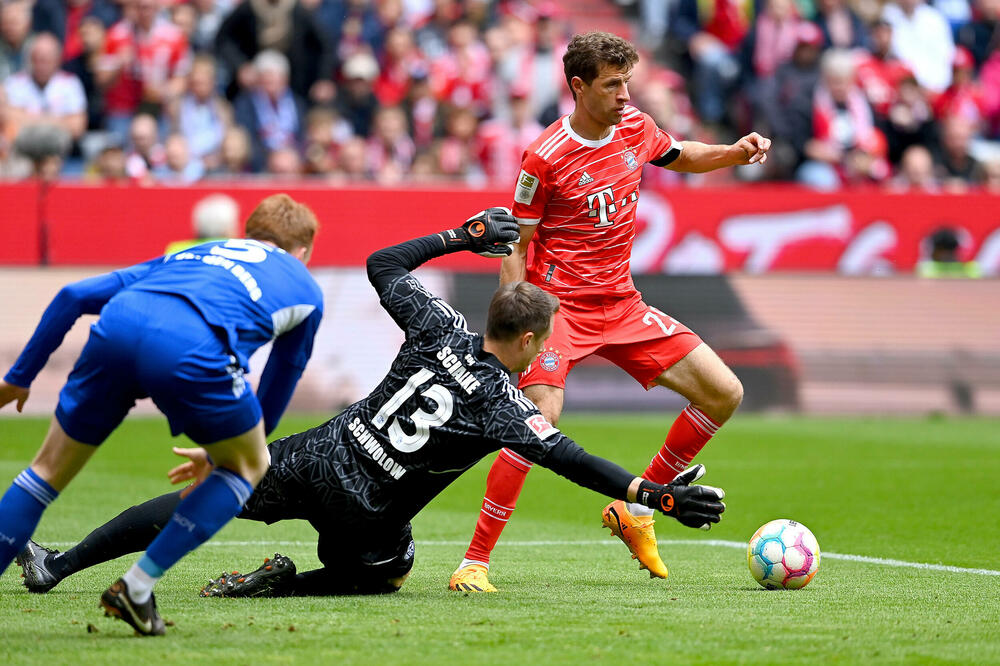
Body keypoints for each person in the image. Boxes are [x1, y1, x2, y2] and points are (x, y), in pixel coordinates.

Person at [15, 209, 727, 599]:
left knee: (210, 489)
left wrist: (462, 237)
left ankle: (58, 563)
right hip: (367, 512)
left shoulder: (438, 325)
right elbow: (569, 457)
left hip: (322, 452)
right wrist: (651, 495)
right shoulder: (506, 405)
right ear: (533, 338)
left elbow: (382, 264)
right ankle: (283, 585)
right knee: (391, 569)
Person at [449, 31, 770, 593]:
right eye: (613, 84)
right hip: (557, 310)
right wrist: (517, 322)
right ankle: (475, 562)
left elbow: (681, 154)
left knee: (725, 392)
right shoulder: (544, 158)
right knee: (536, 425)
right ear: (579, 86)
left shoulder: (637, 127)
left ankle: (638, 508)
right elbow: (514, 246)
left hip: (621, 304)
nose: (625, 95)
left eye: (628, 82)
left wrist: (733, 153)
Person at [0, 194, 324, 636]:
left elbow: (73, 295)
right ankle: (135, 588)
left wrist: (19, 377)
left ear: (249, 232)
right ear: (303, 251)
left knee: (44, 471)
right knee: (251, 465)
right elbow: (280, 379)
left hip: (116, 328)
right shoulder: (305, 288)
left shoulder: (196, 252)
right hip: (192, 350)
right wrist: (224, 453)